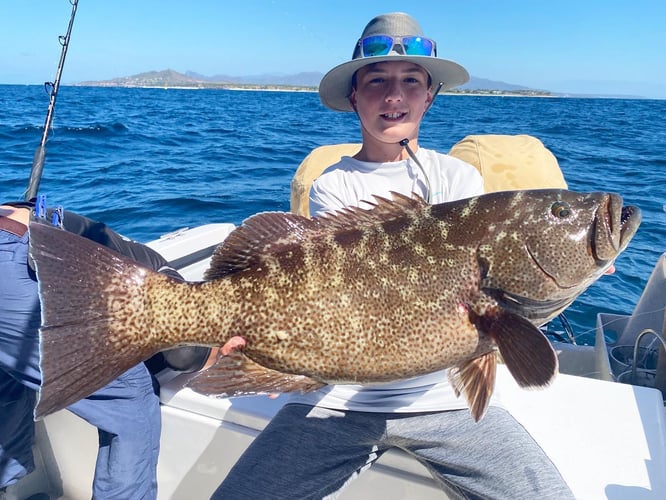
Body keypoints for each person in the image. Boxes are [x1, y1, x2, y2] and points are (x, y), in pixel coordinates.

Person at [213, 12, 576, 499]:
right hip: (337, 399)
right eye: (377, 81)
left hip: (443, 403)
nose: (394, 96)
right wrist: (267, 351)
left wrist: (567, 275)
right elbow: (334, 289)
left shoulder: (458, 181)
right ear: (353, 97)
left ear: (430, 96)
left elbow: (483, 305)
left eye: (410, 81)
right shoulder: (335, 184)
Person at [0, 200, 213, 499]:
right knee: (130, 396)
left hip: (12, 238)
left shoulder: (126, 257)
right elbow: (185, 354)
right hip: (17, 263)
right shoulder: (153, 274)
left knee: (8, 377)